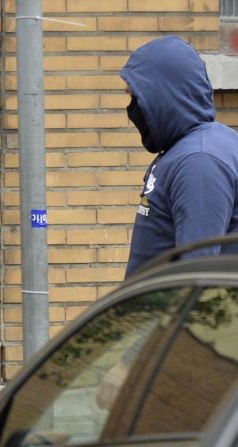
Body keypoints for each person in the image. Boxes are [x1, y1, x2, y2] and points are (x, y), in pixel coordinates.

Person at [122, 35, 238, 278]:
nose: (132, 108)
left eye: (136, 97)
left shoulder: (200, 161)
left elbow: (196, 276)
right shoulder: (187, 150)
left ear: (162, 94)